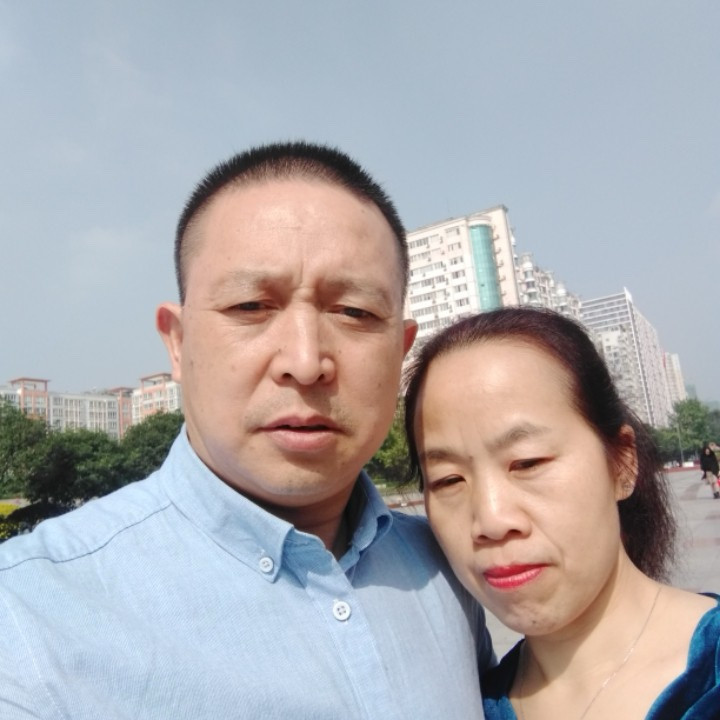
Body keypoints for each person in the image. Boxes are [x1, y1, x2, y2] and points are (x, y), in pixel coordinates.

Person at [0, 142, 494, 719]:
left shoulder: (451, 570)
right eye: (252, 306)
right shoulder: (31, 618)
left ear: (400, 350)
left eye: (354, 312)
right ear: (178, 343)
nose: (305, 362)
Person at [403, 307, 720, 719]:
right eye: (448, 480)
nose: (491, 521)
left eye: (528, 462)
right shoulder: (466, 708)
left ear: (622, 464)